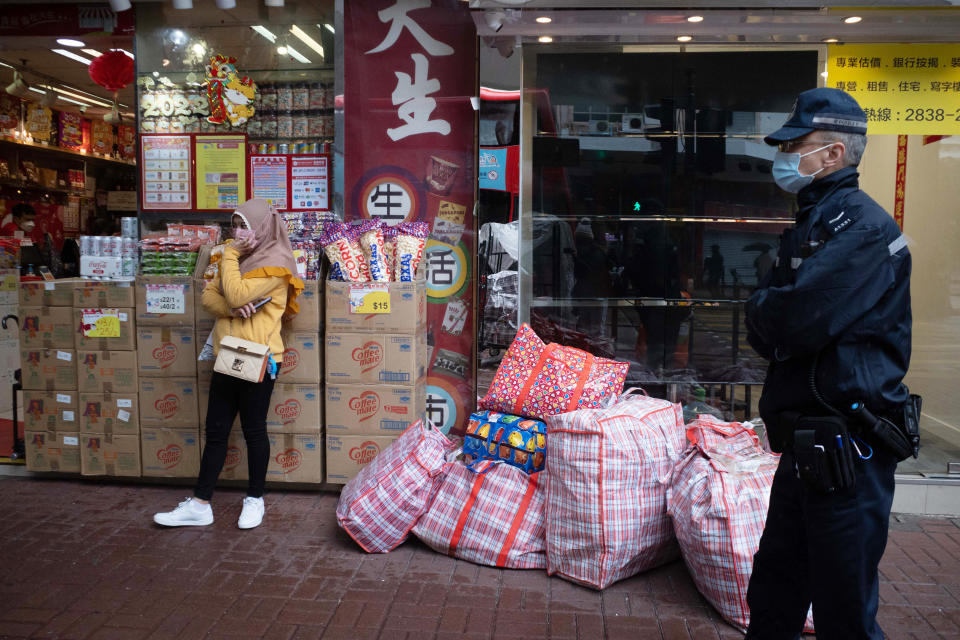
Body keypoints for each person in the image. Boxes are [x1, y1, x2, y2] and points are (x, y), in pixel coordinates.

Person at [744, 88, 915, 639]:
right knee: (774, 596)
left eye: (797, 144)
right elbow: (773, 321)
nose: (786, 155)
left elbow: (788, 321)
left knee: (844, 614)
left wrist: (770, 310)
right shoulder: (817, 221)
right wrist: (771, 312)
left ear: (834, 154)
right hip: (807, 448)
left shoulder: (862, 230)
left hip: (849, 452)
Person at [153, 199, 303, 530]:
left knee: (253, 430)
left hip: (259, 359)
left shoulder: (275, 265)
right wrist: (232, 310)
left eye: (245, 225)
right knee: (217, 431)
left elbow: (235, 293)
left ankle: (255, 499)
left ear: (263, 228)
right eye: (234, 224)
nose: (238, 232)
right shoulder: (233, 259)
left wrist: (231, 260)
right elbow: (210, 296)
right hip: (228, 354)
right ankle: (200, 503)